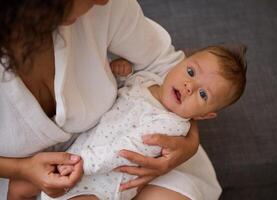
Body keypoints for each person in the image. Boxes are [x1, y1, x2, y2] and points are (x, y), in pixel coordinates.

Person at [0, 0, 208, 200]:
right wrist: (21, 169)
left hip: (130, 169)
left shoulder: (106, 5)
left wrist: (189, 142)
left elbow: (166, 65)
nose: (103, 1)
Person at [38, 44, 247, 200]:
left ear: (203, 116)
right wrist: (120, 75)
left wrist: (80, 164)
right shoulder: (146, 80)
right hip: (78, 154)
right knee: (24, 186)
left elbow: (126, 150)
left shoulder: (171, 126)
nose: (188, 86)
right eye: (191, 72)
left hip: (103, 182)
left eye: (203, 94)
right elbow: (115, 97)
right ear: (180, 62)